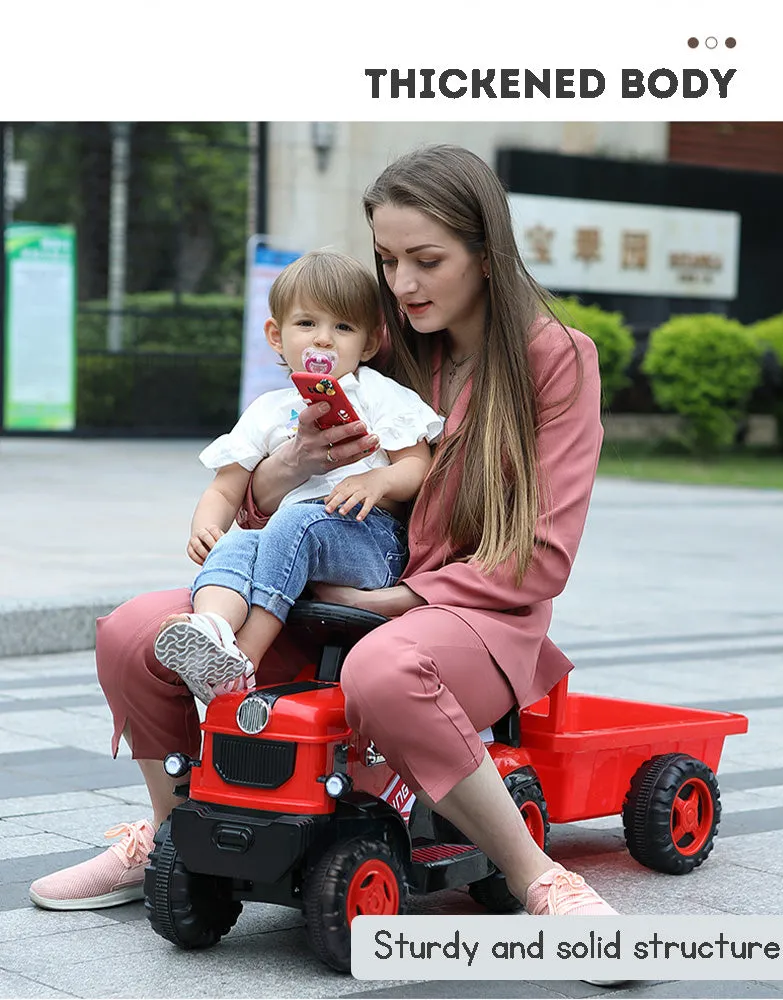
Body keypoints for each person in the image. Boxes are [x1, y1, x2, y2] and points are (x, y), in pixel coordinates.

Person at [30, 144, 618, 928]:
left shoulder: (555, 361)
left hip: (470, 615)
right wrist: (282, 468)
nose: (403, 285)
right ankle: (175, 840)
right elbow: (273, 507)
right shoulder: (381, 342)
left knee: (383, 670)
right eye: (387, 260)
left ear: (486, 251)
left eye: (426, 260)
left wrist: (393, 598)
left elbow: (541, 555)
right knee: (133, 631)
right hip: (321, 591)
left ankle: (537, 876)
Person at [151, 249, 443, 706]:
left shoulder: (378, 394)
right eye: (307, 324)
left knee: (290, 524)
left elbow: (417, 464)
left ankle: (246, 656)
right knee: (237, 543)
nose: (324, 340)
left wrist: (377, 483)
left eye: (343, 328)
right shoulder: (267, 409)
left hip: (369, 541)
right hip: (290, 543)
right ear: (276, 334)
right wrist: (205, 525)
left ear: (368, 343)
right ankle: (211, 631)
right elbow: (227, 485)